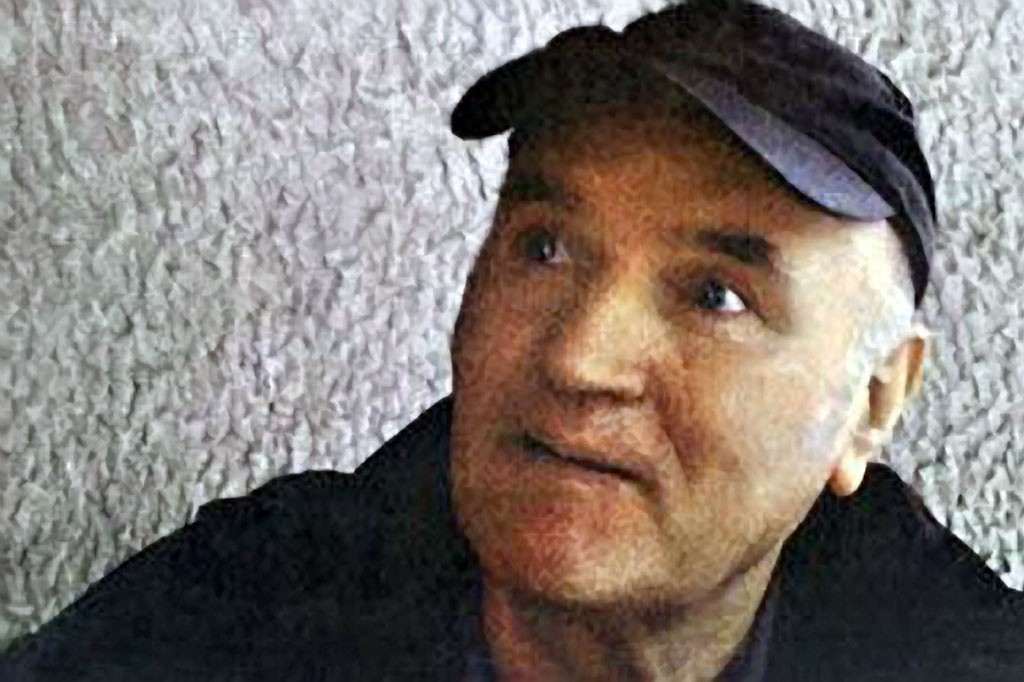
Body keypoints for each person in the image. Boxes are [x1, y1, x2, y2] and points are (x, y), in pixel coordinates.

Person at [3, 1, 1023, 680]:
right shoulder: (236, 615)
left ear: (872, 403)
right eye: (544, 247)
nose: (579, 359)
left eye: (715, 295)